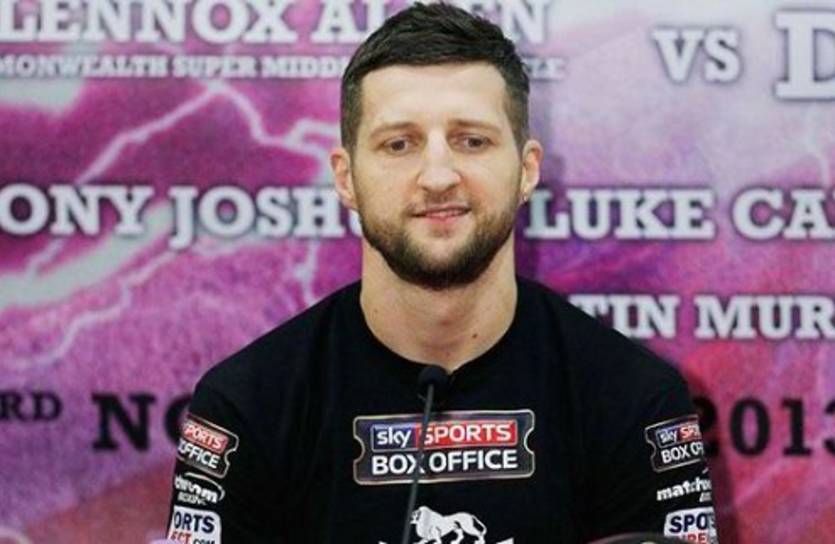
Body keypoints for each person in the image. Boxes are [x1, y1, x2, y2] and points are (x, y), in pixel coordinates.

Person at [165, 3, 718, 543]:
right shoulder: (246, 407)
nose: (437, 176)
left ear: (527, 170)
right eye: (399, 144)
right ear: (346, 177)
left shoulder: (635, 400)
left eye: (471, 141)